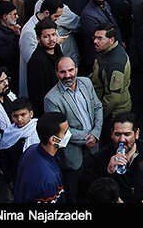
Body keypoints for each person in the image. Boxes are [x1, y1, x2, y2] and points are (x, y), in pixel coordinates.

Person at [43, 56, 103, 203]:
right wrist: (87, 138)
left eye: (70, 70)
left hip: (94, 148)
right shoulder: (51, 98)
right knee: (73, 195)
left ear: (76, 69)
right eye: (62, 72)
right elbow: (59, 131)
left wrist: (96, 134)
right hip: (72, 156)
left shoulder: (86, 83)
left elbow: (98, 107)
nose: (68, 75)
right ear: (56, 73)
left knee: (95, 189)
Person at [12, 111, 68, 203]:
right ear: (53, 139)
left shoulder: (31, 149)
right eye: (65, 132)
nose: (68, 134)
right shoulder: (48, 179)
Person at [90, 23, 131, 137]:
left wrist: (98, 117)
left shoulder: (115, 64)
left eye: (100, 38)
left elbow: (113, 98)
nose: (95, 41)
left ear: (111, 40)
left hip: (114, 114)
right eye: (94, 38)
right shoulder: (107, 52)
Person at [0, 97, 39, 189]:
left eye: (23, 115)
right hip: (19, 181)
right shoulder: (8, 134)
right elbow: (3, 160)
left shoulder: (39, 129)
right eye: (15, 116)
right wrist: (11, 181)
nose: (19, 119)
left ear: (31, 114)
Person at [25, 18, 63, 115]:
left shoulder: (57, 48)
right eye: (46, 36)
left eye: (53, 35)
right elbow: (37, 94)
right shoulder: (36, 61)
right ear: (38, 38)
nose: (51, 39)